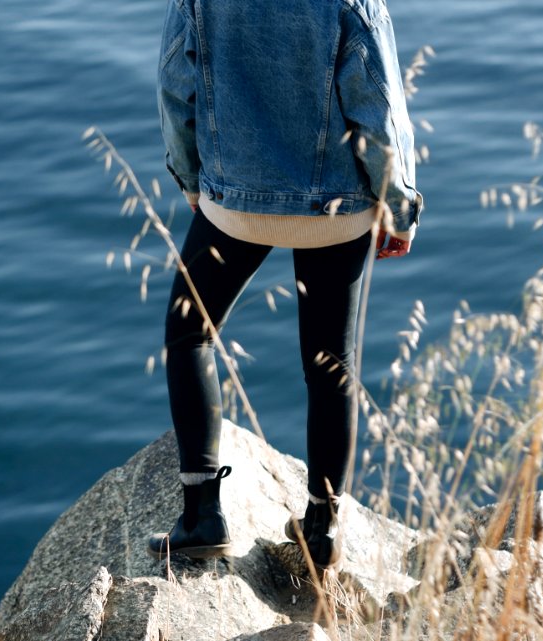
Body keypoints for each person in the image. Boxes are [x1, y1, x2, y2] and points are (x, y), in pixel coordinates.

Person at [146, 0, 423, 568]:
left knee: (190, 335)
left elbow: (176, 82)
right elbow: (381, 105)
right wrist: (398, 204)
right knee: (331, 364)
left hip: (235, 202)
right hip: (336, 207)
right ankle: (322, 528)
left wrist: (192, 178)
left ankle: (201, 515)